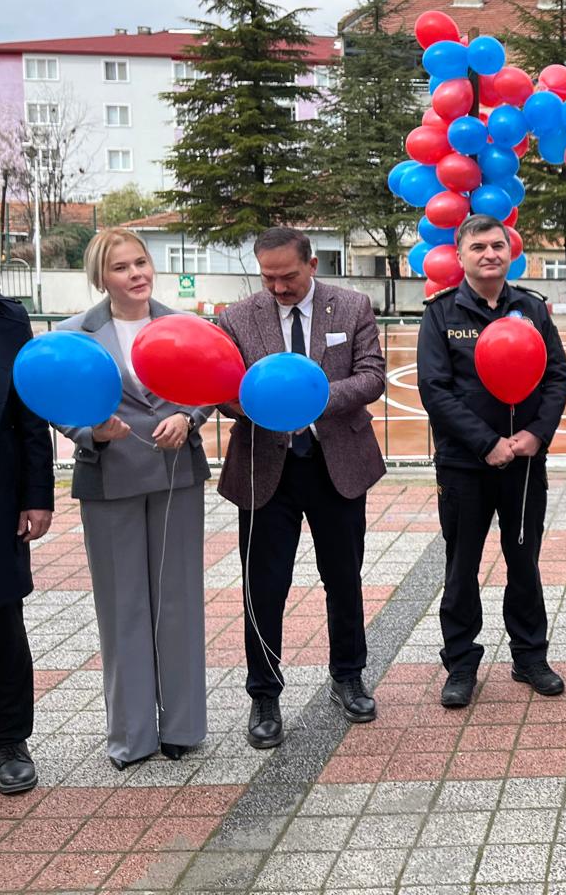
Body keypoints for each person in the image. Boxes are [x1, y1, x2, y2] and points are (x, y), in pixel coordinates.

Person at [218, 227, 387, 747]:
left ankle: (348, 676)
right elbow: (223, 391)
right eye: (267, 278)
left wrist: (309, 396)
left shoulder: (352, 306)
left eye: (288, 276)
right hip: (265, 470)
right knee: (264, 588)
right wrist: (251, 401)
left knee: (343, 578)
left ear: (312, 265)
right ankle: (264, 694)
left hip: (336, 465)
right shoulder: (236, 317)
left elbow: (372, 377)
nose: (278, 288)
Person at [52, 230, 212, 769]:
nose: (136, 274)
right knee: (122, 609)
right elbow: (55, 399)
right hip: (110, 478)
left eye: (141, 262)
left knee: (179, 602)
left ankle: (184, 728)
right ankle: (131, 736)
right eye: (121, 267)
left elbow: (210, 382)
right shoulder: (74, 334)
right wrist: (89, 433)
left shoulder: (183, 325)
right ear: (101, 276)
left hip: (176, 474)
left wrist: (188, 416)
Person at [418, 214, 566, 707]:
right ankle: (461, 664)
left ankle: (530, 656)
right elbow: (434, 389)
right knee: (462, 567)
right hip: (464, 466)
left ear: (510, 252)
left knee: (524, 561)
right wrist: (486, 442)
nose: (489, 254)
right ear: (460, 255)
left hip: (524, 464)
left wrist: (536, 434)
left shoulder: (532, 308)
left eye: (497, 246)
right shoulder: (441, 312)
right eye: (478, 247)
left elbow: (557, 376)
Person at [0, 284, 54, 795]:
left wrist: (37, 495)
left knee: (0, 624)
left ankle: (9, 741)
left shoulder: (5, 318)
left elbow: (30, 414)